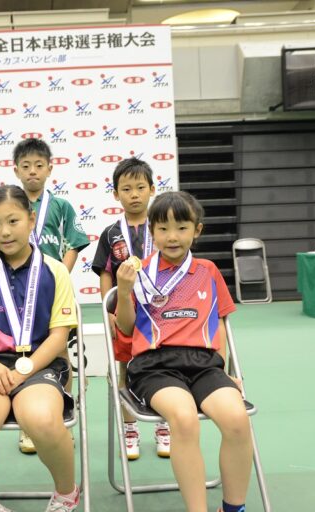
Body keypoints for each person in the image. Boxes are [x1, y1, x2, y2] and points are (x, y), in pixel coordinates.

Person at [114, 191, 252, 512]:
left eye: (181, 228)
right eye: (163, 229)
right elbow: (126, 328)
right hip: (154, 367)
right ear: (152, 231)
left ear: (197, 230)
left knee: (236, 418)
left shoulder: (208, 271)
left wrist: (228, 372)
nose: (172, 237)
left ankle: (233, 508)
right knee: (185, 419)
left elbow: (219, 325)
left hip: (205, 365)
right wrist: (123, 291)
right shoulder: (139, 273)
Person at [0, 185, 80, 512]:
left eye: (13, 221)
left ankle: (66, 495)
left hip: (40, 365)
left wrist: (25, 369)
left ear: (31, 219)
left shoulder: (55, 271)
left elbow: (59, 336)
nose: (5, 232)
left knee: (41, 419)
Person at [12, 137, 90, 454]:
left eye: (39, 165)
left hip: (54, 291)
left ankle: (61, 419)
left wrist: (60, 276)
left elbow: (74, 244)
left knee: (60, 353)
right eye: (26, 166)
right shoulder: (11, 205)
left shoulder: (61, 207)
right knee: (23, 353)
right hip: (19, 294)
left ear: (49, 169)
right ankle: (28, 425)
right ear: (16, 170)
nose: (32, 171)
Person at [91, 157, 170, 460]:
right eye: (126, 189)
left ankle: (164, 426)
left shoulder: (163, 227)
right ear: (115, 194)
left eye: (140, 187)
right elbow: (105, 274)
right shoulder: (111, 233)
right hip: (124, 313)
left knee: (165, 366)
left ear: (152, 189)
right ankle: (130, 430)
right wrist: (108, 312)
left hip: (161, 313)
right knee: (125, 368)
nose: (134, 194)